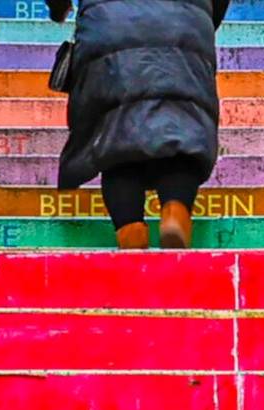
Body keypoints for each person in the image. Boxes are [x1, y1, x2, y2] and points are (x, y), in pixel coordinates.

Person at [48, 0, 230, 249]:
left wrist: (59, 8)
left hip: (110, 24)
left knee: (114, 134)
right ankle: (175, 210)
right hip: (182, 23)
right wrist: (202, 16)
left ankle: (130, 229)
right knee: (181, 124)